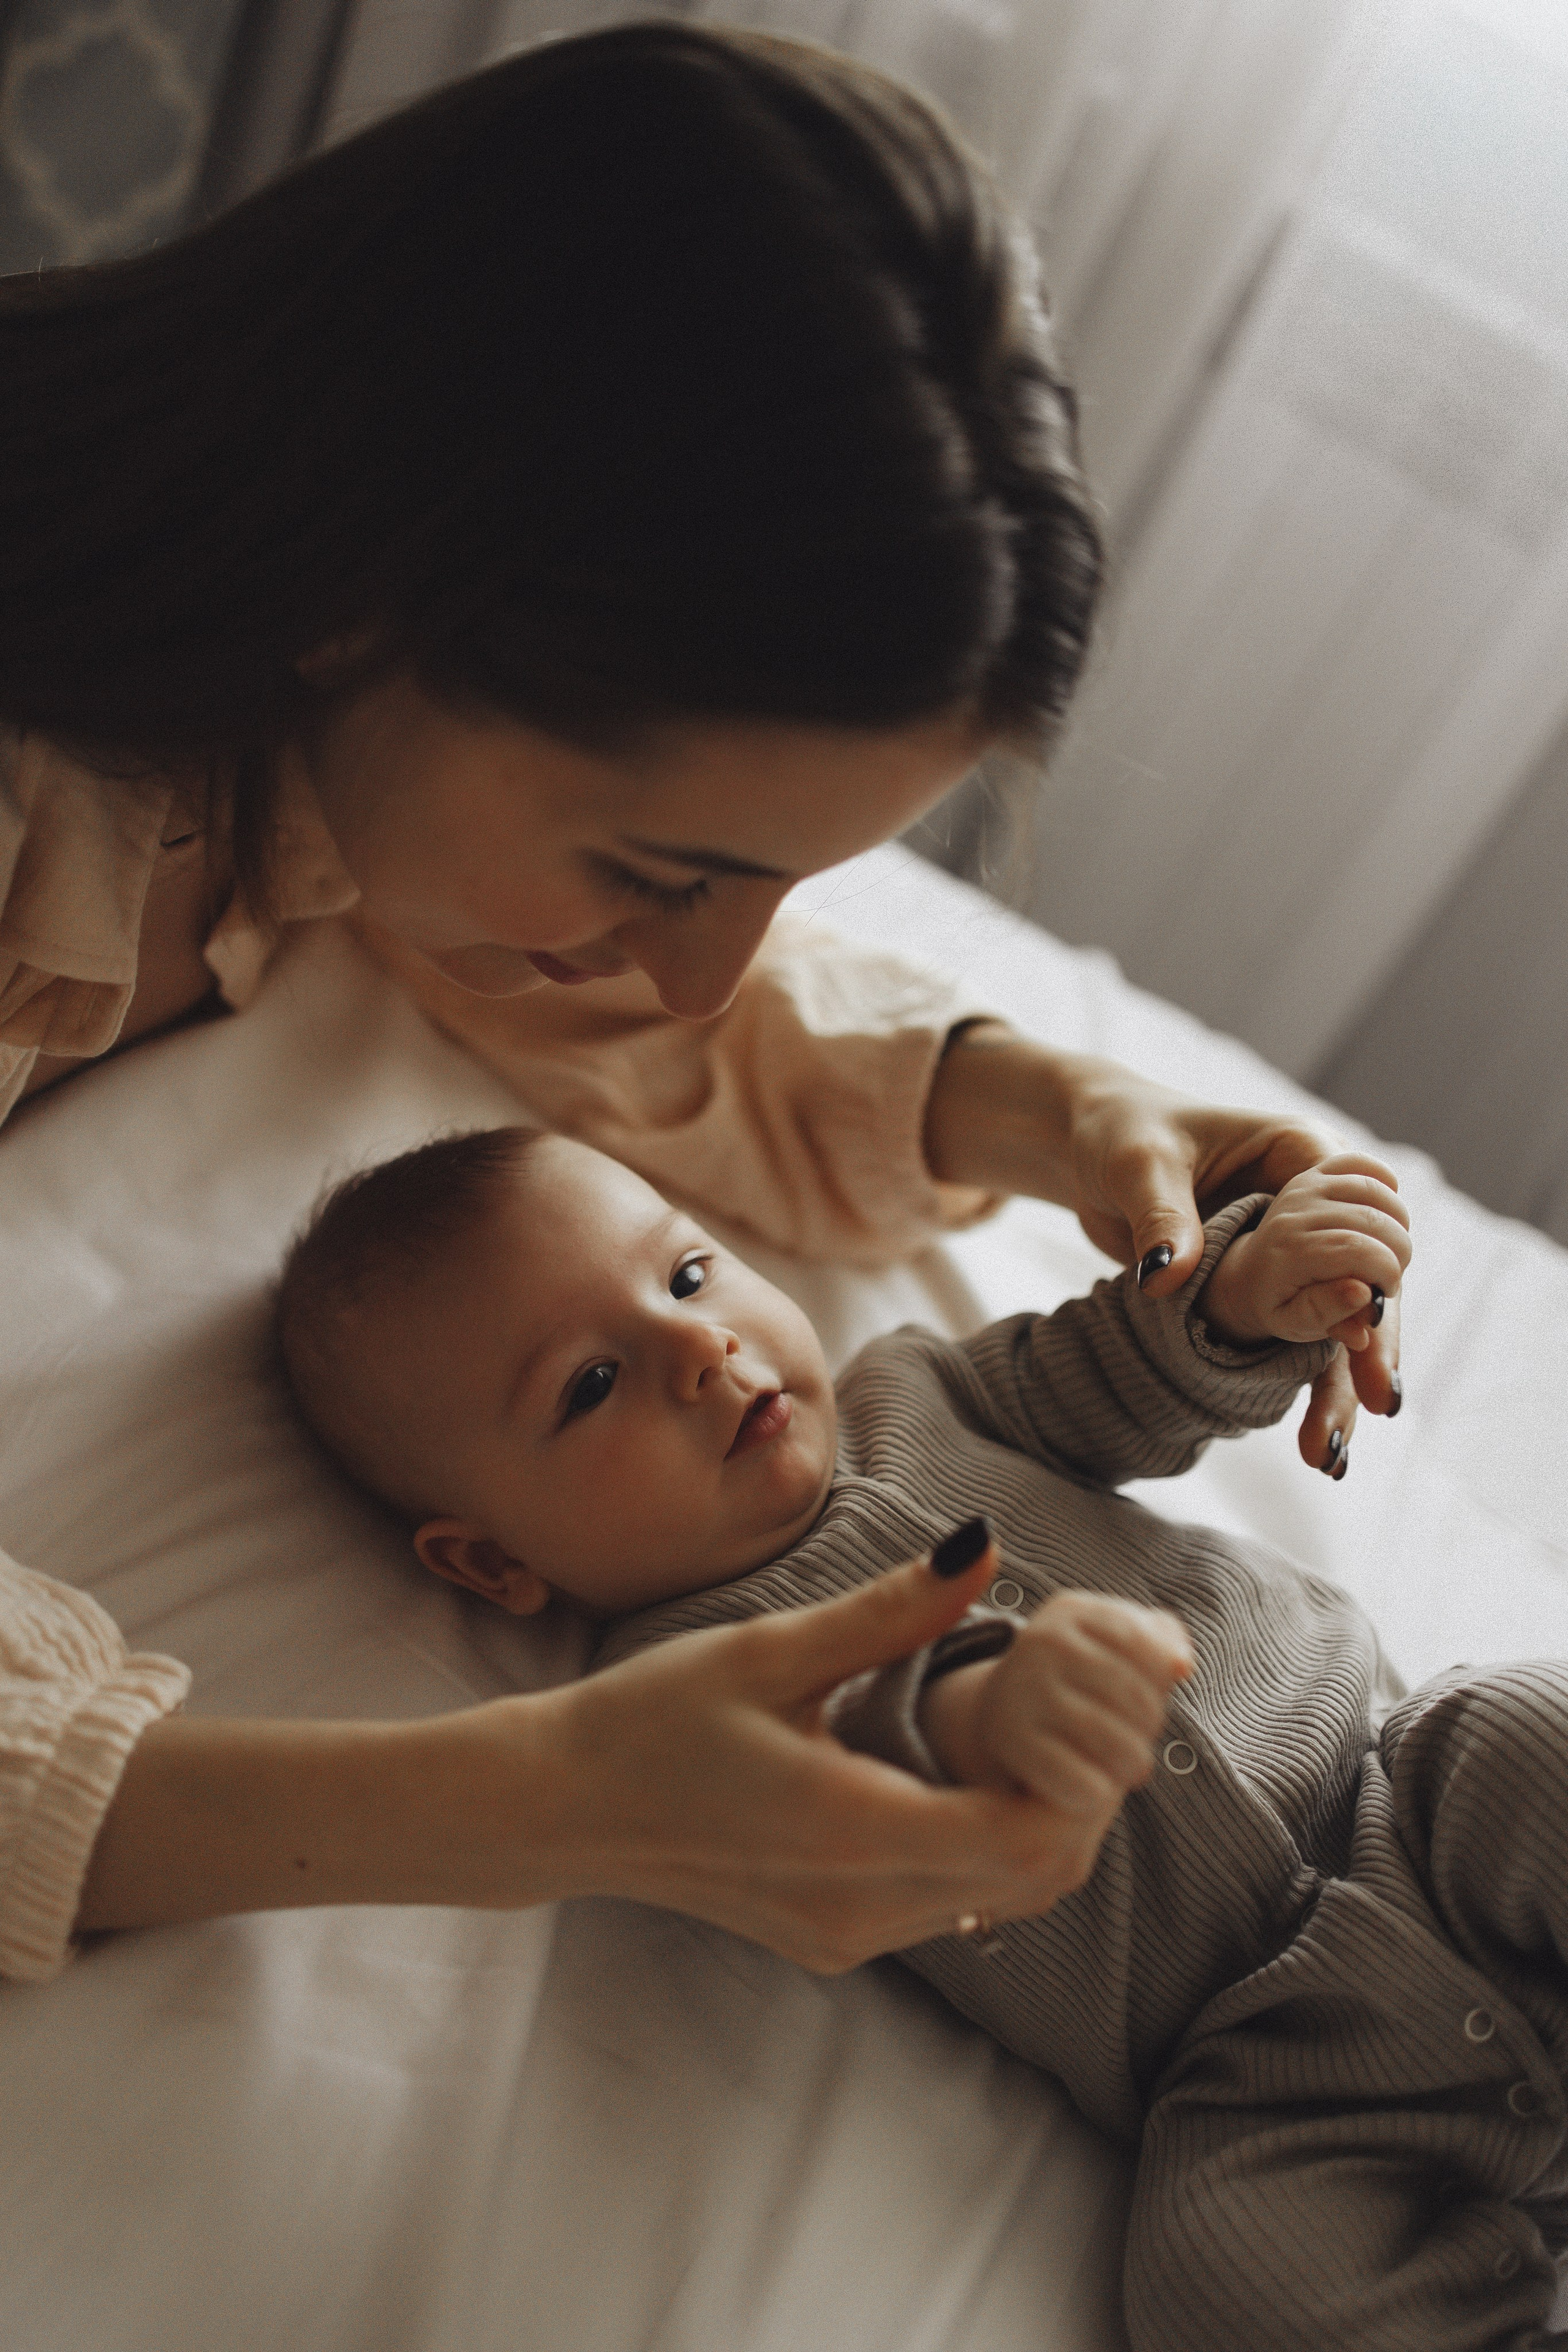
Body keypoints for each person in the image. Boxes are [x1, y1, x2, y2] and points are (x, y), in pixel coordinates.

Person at [0, 23, 1398, 1986]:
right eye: (663, 875)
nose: (703, 972)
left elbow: (611, 998)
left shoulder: (286, 725)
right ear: (370, 590)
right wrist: (544, 1804)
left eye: (779, 884)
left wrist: (1067, 1117)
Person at [276, 1126, 1568, 2350]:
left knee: (1524, 1730)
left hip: (1403, 1791)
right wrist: (980, 1718)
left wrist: (1241, 1298)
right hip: (1259, 2058)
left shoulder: (915, 1394)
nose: (701, 1349)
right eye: (592, 1384)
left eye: (686, 1275)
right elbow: (832, 1765)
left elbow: (1108, 1373)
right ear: (492, 1562)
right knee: (1215, 2276)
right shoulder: (667, 1700)